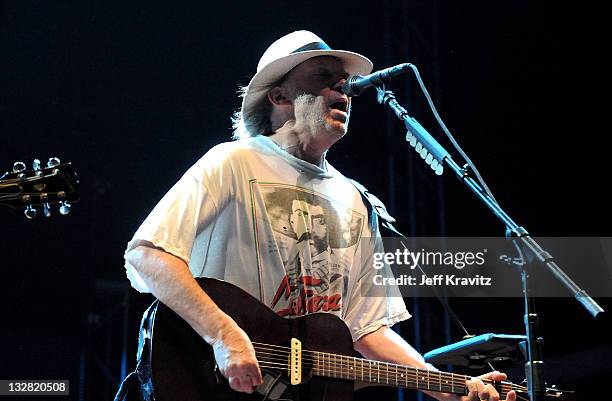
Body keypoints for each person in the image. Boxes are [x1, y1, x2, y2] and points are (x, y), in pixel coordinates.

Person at [124, 30, 515, 401]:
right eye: (324, 77)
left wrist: (444, 386)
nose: (342, 88)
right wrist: (225, 335)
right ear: (279, 95)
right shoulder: (233, 162)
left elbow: (367, 327)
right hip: (207, 382)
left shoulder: (354, 199)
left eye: (344, 81)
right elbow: (148, 254)